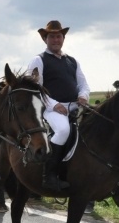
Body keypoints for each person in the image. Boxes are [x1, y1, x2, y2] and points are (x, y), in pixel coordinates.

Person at [26, 20, 89, 190]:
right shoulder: (39, 60)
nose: (56, 40)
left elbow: (83, 84)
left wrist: (83, 96)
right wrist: (54, 105)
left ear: (63, 38)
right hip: (50, 109)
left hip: (74, 107)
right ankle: (49, 175)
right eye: (52, 37)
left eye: (59, 36)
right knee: (63, 130)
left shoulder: (72, 61)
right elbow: (35, 89)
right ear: (45, 39)